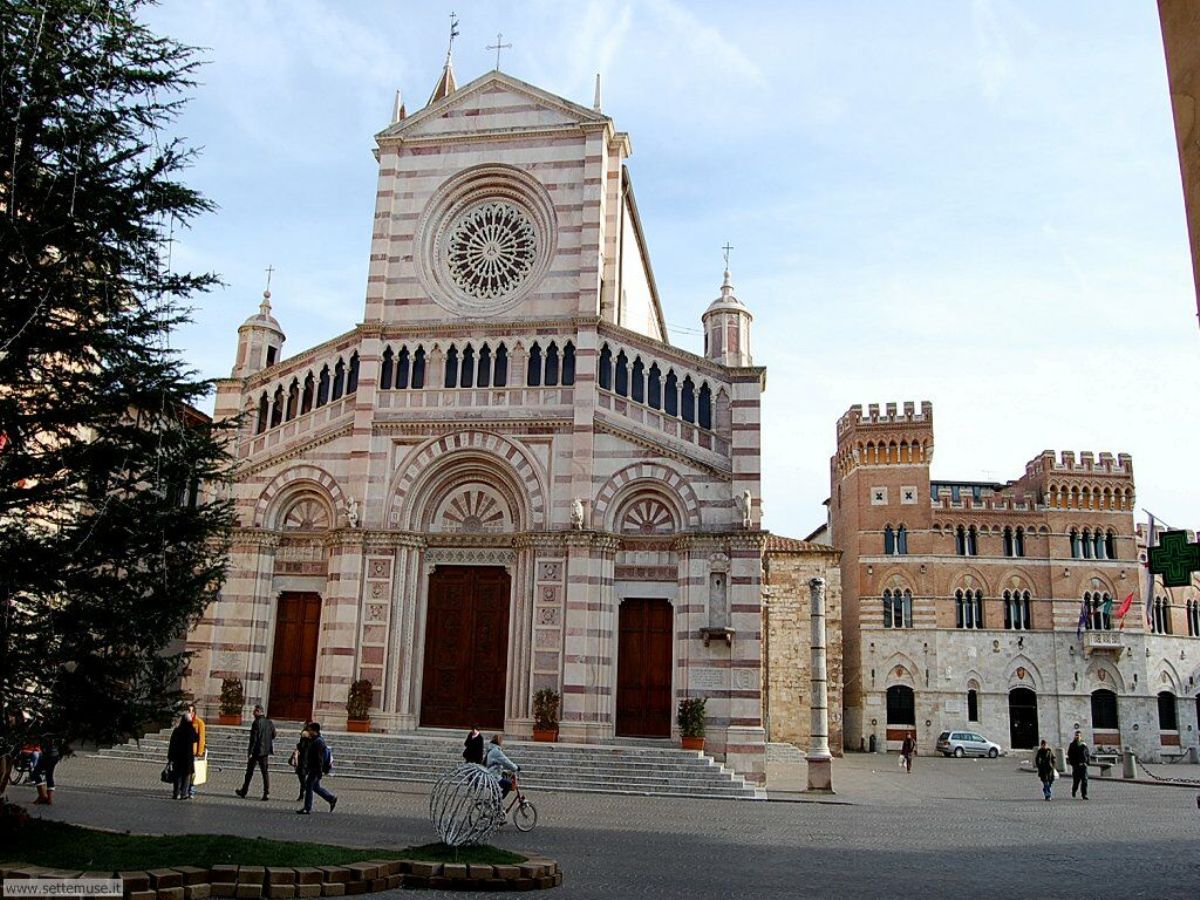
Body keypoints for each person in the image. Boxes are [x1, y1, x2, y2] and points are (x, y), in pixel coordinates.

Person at [236, 704, 276, 801]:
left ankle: (244, 791)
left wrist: (250, 751)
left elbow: (253, 739)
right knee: (264, 772)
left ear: (258, 712)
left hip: (256, 751)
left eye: (255, 711)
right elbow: (274, 735)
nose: (253, 713)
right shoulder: (269, 722)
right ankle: (266, 792)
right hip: (265, 751)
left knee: (249, 772)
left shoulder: (256, 723)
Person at [297, 722, 337, 815]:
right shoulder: (313, 739)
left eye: (310, 730)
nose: (308, 731)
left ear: (314, 731)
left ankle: (307, 808)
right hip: (313, 767)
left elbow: (319, 758)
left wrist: (319, 771)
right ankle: (331, 798)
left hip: (316, 768)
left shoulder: (318, 741)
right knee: (315, 786)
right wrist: (303, 739)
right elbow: (302, 748)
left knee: (309, 786)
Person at [167, 714, 197, 800]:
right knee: (186, 776)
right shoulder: (191, 730)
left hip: (177, 757)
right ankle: (184, 793)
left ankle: (176, 793)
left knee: (177, 776)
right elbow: (196, 738)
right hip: (187, 758)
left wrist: (170, 757)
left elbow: (172, 744)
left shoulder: (177, 730)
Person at [30, 737, 61, 805]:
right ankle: (49, 799)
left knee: (35, 773)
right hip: (55, 755)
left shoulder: (43, 730)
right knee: (49, 775)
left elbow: (38, 740)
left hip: (47, 755)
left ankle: (42, 796)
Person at [289, 724, 313, 802]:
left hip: (303, 762)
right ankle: (302, 794)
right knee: (303, 779)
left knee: (303, 780)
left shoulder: (305, 740)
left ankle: (304, 794)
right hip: (306, 761)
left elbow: (302, 749)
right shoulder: (311, 740)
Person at [188, 703, 206, 799]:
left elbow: (201, 738)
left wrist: (200, 751)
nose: (190, 713)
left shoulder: (199, 723)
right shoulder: (186, 722)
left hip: (194, 751)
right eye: (188, 711)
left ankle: (192, 790)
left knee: (193, 772)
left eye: (191, 711)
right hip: (186, 751)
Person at [1066, 730, 1090, 800]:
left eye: (1079, 736)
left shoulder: (1084, 744)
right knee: (1076, 781)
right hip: (1076, 766)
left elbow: (1087, 754)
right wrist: (1073, 763)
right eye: (1076, 735)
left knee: (1084, 781)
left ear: (1081, 736)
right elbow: (1070, 755)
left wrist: (1087, 762)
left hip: (1083, 765)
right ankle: (1074, 790)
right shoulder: (1072, 745)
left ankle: (1084, 794)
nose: (1077, 737)